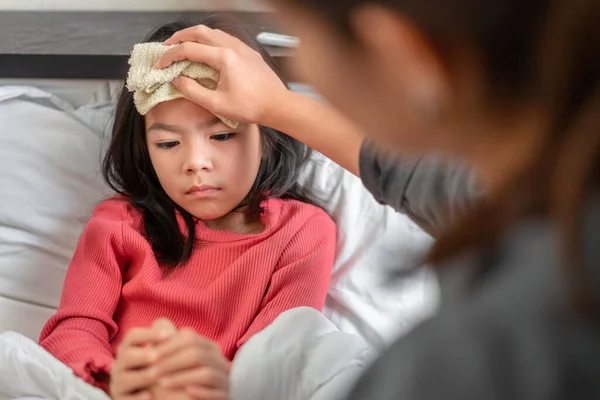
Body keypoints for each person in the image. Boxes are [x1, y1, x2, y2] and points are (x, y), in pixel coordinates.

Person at [152, 0, 600, 398]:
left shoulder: (467, 362)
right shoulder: (548, 193)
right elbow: (423, 181)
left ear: (404, 55)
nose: (301, 70)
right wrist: (278, 105)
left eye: (303, 37)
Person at [38, 16, 336, 400]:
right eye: (167, 144)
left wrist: (217, 382)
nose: (196, 162)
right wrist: (115, 380)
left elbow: (276, 359)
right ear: (144, 150)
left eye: (222, 135)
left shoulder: (302, 232)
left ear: (267, 136)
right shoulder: (119, 222)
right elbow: (73, 330)